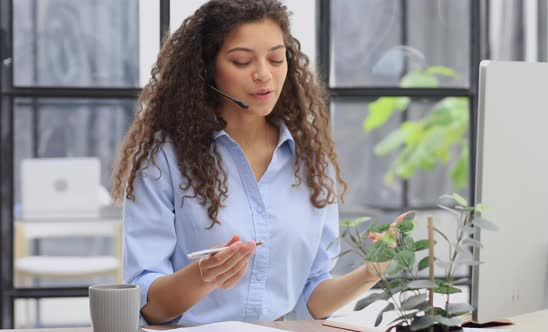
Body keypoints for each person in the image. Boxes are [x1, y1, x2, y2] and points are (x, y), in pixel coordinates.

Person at [112, 0, 390, 326]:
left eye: (276, 58)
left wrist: (374, 269)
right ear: (206, 69)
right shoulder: (163, 159)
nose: (264, 74)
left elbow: (311, 297)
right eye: (242, 61)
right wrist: (203, 277)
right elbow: (146, 302)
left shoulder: (312, 162)